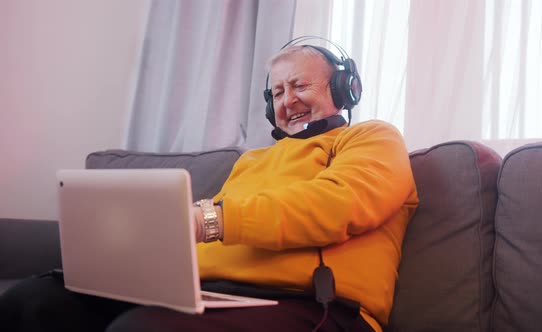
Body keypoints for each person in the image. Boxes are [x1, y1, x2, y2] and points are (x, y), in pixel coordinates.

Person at [0, 38, 418, 332]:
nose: (287, 101)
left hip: (317, 307)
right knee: (33, 302)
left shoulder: (372, 137)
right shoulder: (253, 160)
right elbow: (198, 238)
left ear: (345, 89)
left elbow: (339, 203)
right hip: (208, 294)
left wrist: (208, 219)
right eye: (276, 92)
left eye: (300, 85)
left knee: (146, 328)